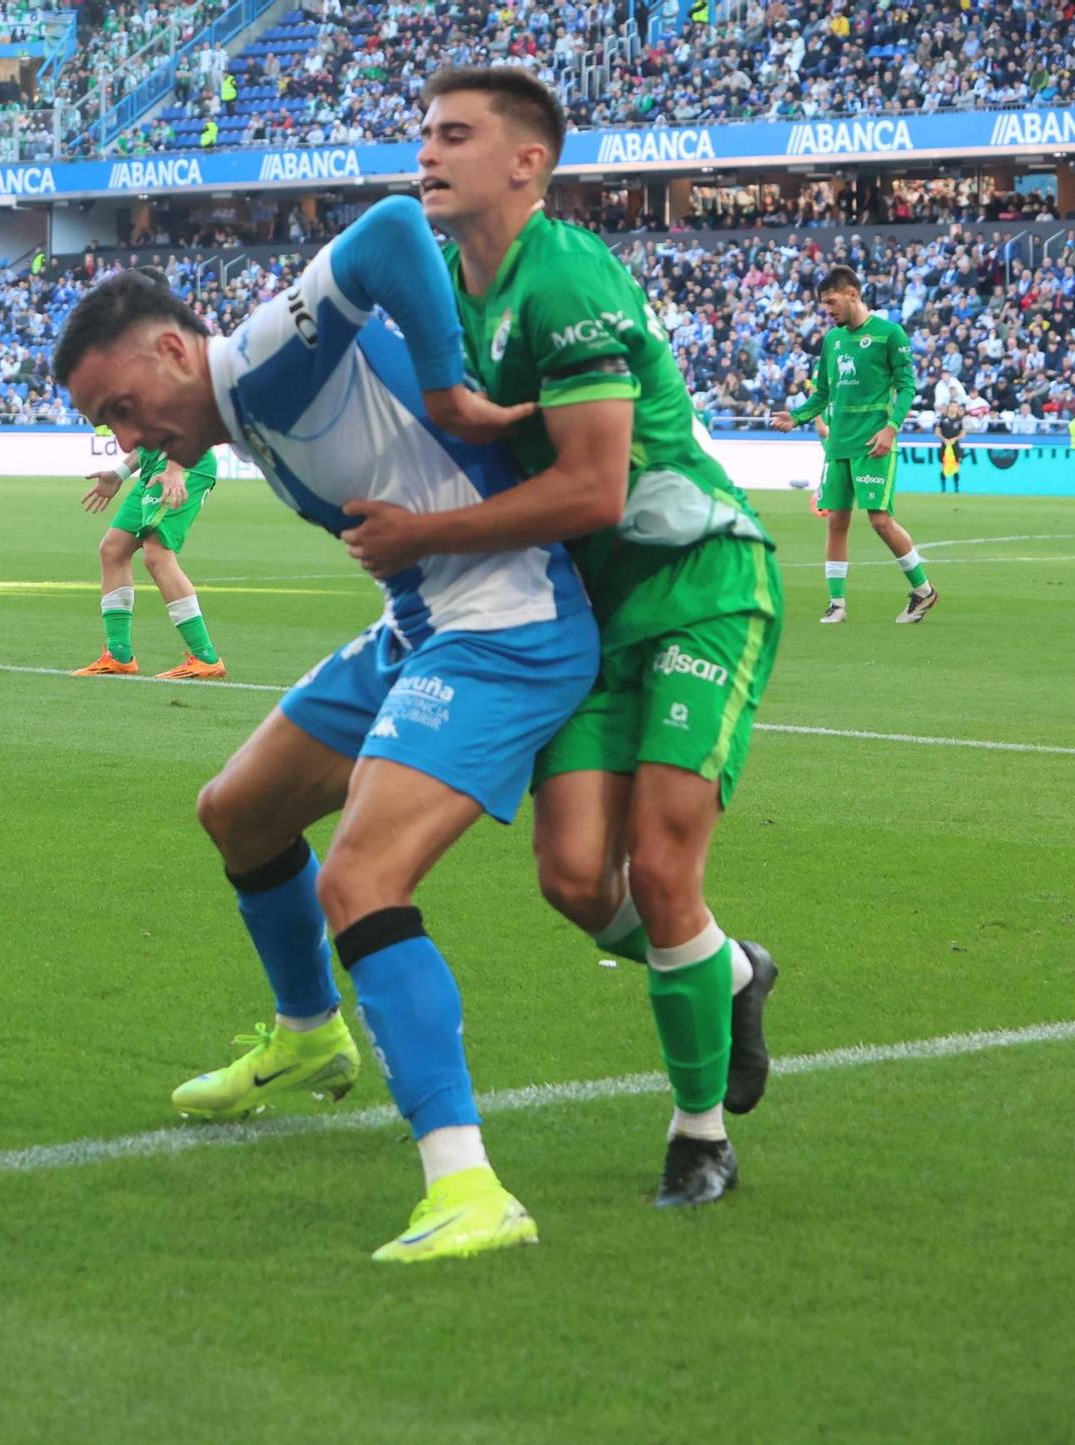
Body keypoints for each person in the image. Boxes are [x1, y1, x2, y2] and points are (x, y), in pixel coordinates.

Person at [55, 196, 599, 1263]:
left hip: (505, 624)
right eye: (104, 425)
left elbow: (393, 227)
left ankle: (469, 1185)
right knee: (239, 812)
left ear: (175, 350)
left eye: (123, 407)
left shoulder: (262, 356)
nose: (124, 436)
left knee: (362, 880)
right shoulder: (238, 401)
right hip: (421, 621)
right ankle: (309, 1034)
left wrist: (444, 386)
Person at [338, 67, 782, 1209]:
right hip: (581, 607)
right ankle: (730, 969)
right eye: (423, 134)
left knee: (664, 868)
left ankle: (697, 1135)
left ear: (527, 162)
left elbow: (593, 490)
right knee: (577, 877)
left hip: (691, 581)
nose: (426, 154)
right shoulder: (443, 289)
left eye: (454, 135)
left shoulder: (568, 275)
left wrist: (419, 537)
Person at [769, 266, 936, 624]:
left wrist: (891, 428)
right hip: (839, 443)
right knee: (836, 521)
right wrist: (796, 417)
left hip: (873, 442)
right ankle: (837, 604)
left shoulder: (889, 333)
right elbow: (823, 394)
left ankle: (924, 590)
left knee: (880, 521)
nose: (827, 310)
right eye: (824, 304)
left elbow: (907, 386)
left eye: (831, 302)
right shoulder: (833, 340)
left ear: (853, 295)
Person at [73, 431, 227, 680]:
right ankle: (119, 654)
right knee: (113, 550)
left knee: (157, 554)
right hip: (154, 466)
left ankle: (205, 657)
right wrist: (119, 473)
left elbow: (181, 424)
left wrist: (175, 469)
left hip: (184, 464)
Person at [936, 401, 964, 492]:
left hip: (955, 446)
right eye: (952, 406)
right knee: (943, 466)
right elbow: (937, 432)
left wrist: (955, 439)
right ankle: (943, 488)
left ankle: (956, 488)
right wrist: (944, 439)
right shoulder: (943, 419)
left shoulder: (959, 420)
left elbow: (963, 434)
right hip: (944, 445)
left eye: (955, 407)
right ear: (949, 407)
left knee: (956, 467)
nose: (953, 408)